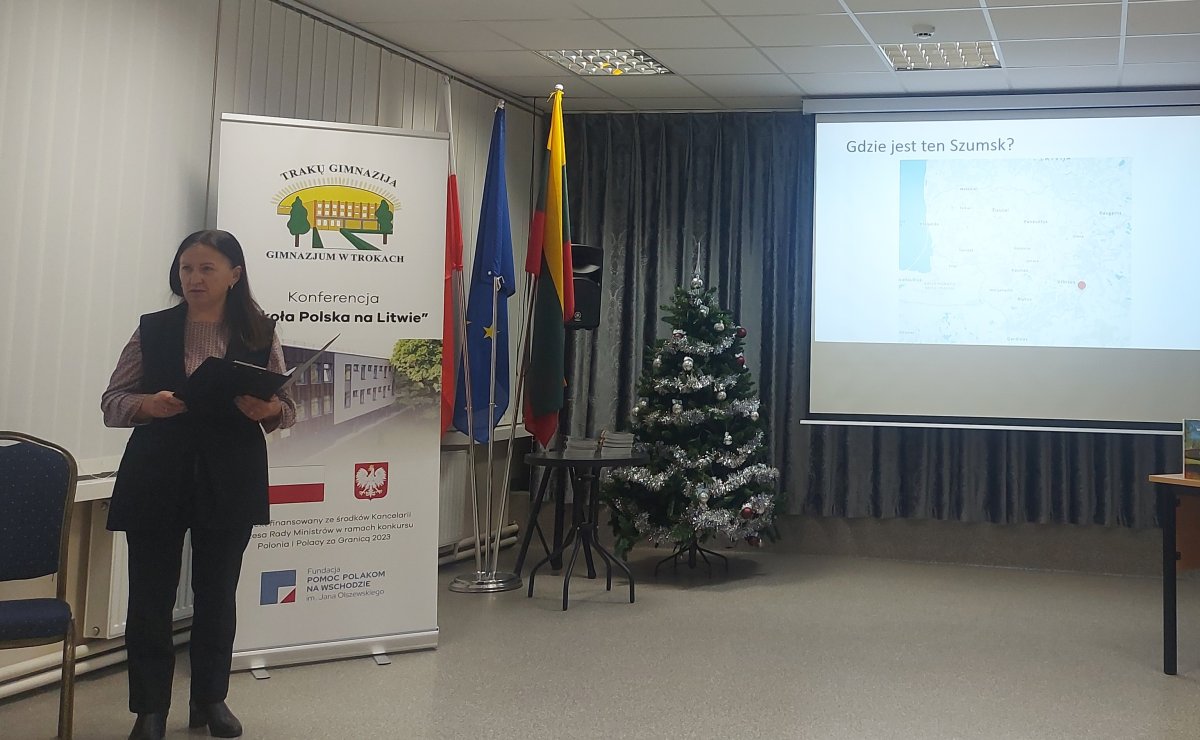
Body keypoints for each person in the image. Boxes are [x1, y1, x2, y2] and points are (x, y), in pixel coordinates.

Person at [102, 230, 295, 740]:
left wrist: (268, 409)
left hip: (230, 475)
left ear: (235, 275)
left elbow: (286, 407)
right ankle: (149, 709)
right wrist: (147, 404)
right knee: (150, 597)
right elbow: (113, 401)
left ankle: (210, 699)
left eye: (207, 268)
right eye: (187, 268)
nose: (194, 278)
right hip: (156, 474)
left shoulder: (260, 332)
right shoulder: (153, 329)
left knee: (217, 593)